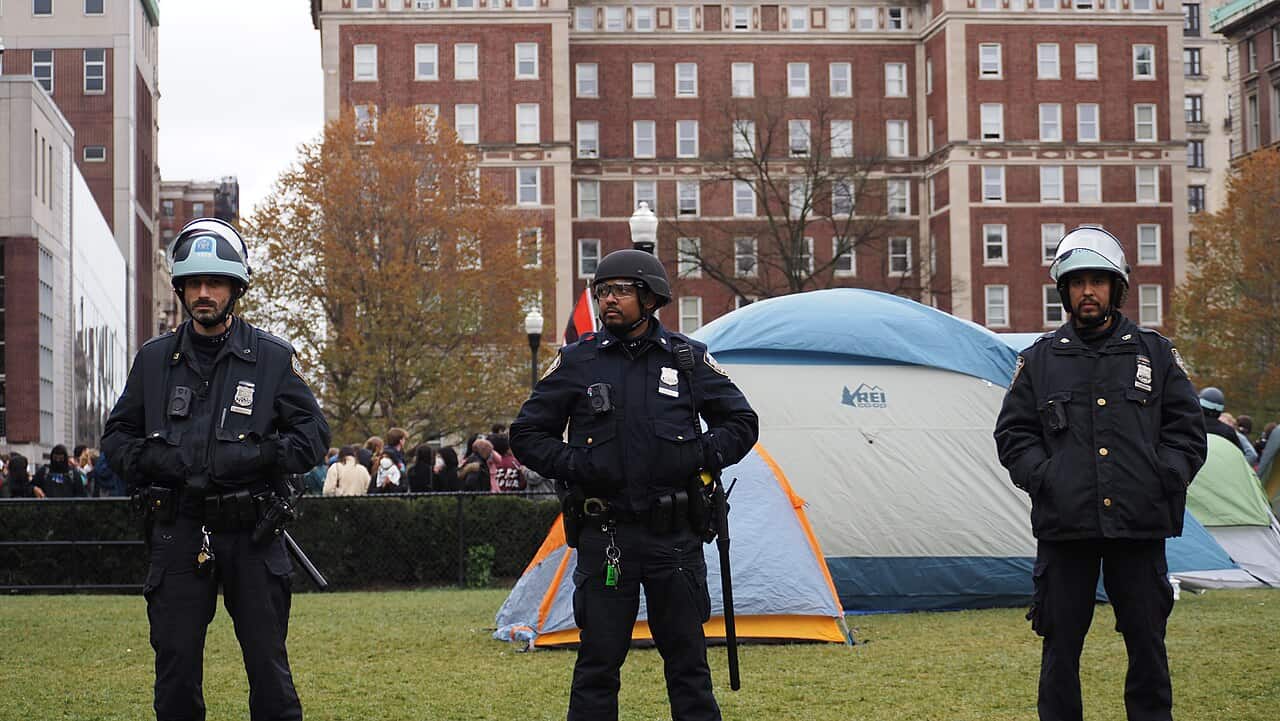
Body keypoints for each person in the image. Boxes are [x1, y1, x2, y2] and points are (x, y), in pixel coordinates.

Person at [510, 247, 759, 721]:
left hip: (675, 538)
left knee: (688, 664)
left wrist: (697, 455)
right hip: (607, 536)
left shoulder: (687, 359)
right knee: (597, 666)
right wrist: (578, 464)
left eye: (621, 290)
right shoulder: (578, 361)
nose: (609, 299)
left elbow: (742, 422)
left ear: (650, 298)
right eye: (603, 291)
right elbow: (526, 434)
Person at [101, 217, 330, 721]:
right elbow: (116, 437)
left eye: (216, 283)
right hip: (178, 529)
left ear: (236, 288)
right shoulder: (154, 360)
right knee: (176, 669)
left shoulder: (272, 358)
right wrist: (160, 461)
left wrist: (256, 456)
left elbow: (313, 436)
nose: (204, 293)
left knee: (269, 670)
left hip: (253, 533)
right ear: (181, 289)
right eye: (194, 283)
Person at [993, 226, 1207, 721]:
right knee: (1060, 644)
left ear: (1116, 287)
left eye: (1097, 281)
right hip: (1065, 529)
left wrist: (1165, 476)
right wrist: (1046, 478)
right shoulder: (1040, 360)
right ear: (1064, 291)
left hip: (1139, 526)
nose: (1087, 291)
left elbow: (1187, 431)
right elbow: (1014, 434)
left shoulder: (1155, 354)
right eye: (1077, 282)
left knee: (1147, 642)